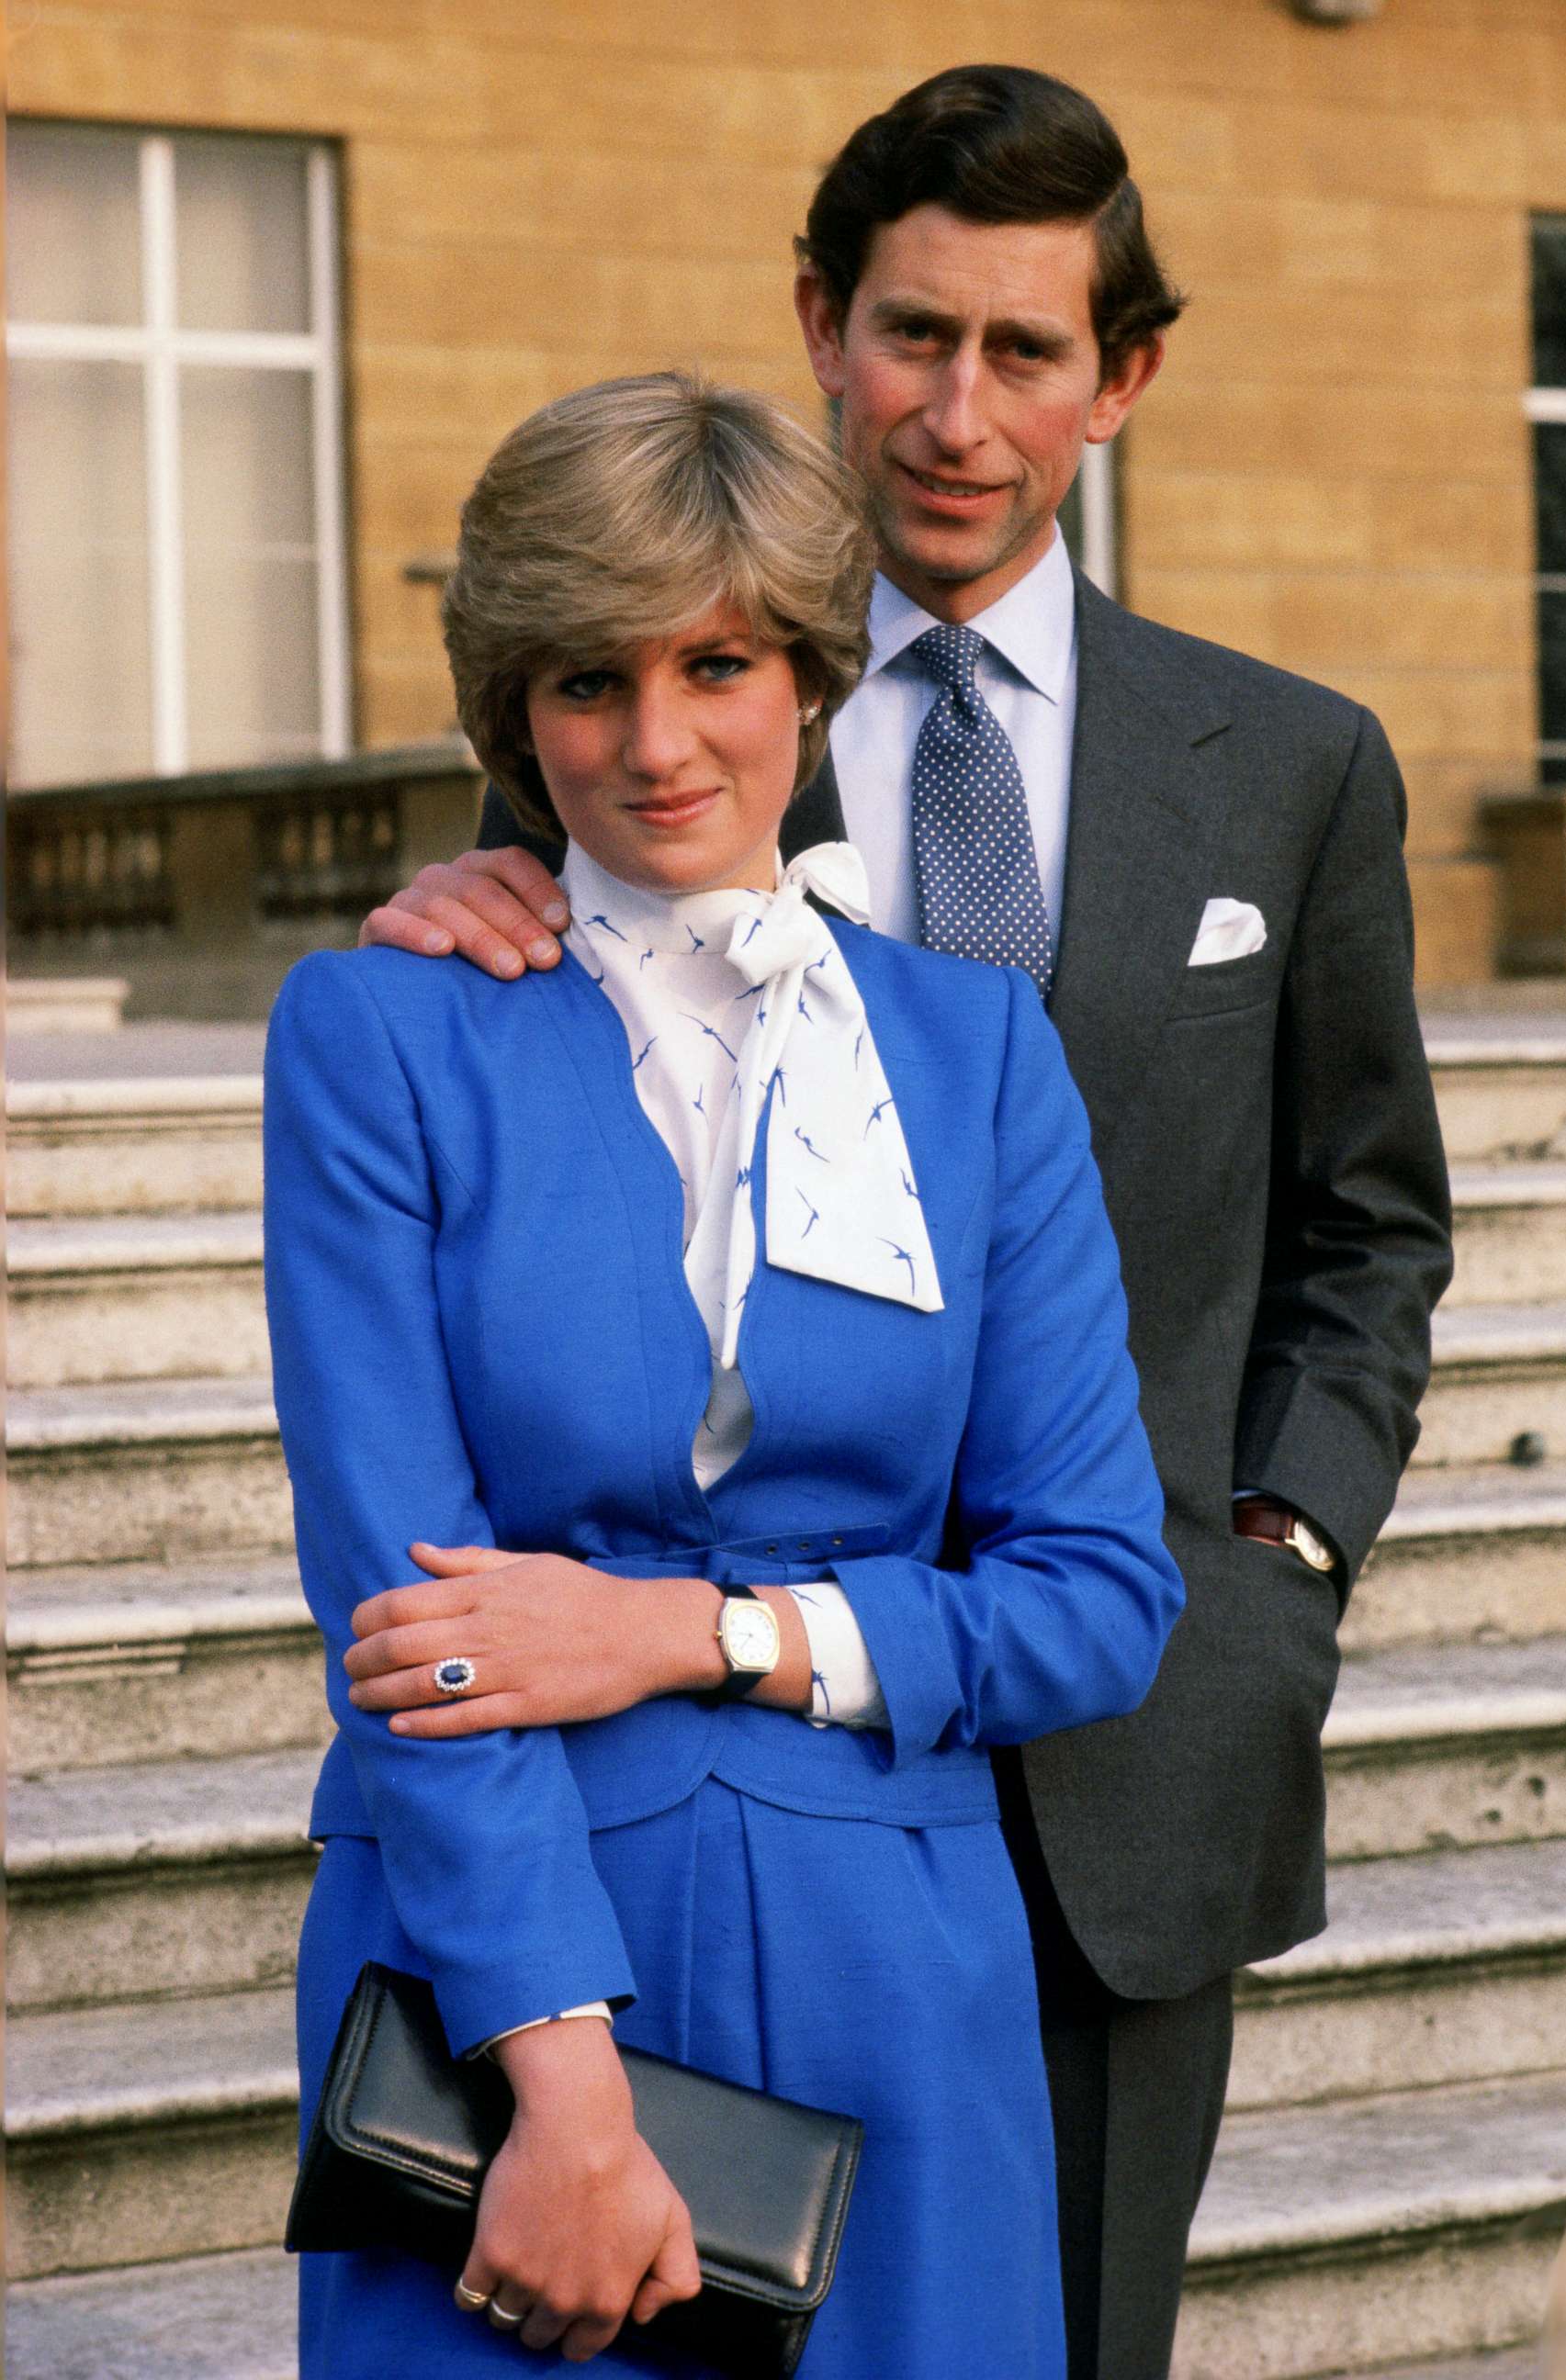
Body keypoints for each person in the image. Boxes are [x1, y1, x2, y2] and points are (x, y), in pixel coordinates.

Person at [365, 66, 1455, 2378]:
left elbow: (1374, 1223)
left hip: (1130, 1726)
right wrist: (452, 909)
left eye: (1026, 352)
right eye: (912, 337)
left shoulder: (1293, 759)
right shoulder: (695, 674)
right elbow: (554, 988)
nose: (960, 412)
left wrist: (1286, 1557)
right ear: (820, 331)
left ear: (1119, 381)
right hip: (714, 1789)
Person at [267, 370, 1184, 2378]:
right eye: (588, 680)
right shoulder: (380, 1033)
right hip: (499, 1981)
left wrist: (699, 1633)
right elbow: (410, 1613)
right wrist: (569, 2106)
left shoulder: (976, 1053)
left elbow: (1099, 1599)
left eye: (719, 664)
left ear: (811, 672)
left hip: (896, 1991)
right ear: (514, 709)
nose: (658, 742)